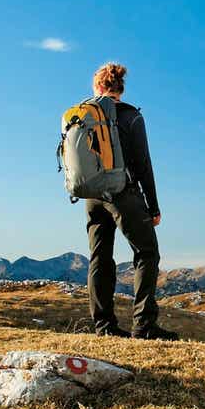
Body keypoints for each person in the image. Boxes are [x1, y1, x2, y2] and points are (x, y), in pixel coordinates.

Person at [84, 62, 178, 340]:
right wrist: (154, 206)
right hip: (122, 192)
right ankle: (144, 325)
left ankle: (104, 327)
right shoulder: (130, 115)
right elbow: (143, 162)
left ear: (98, 87)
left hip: (91, 195)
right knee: (147, 253)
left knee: (100, 257)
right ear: (120, 88)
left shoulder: (83, 115)